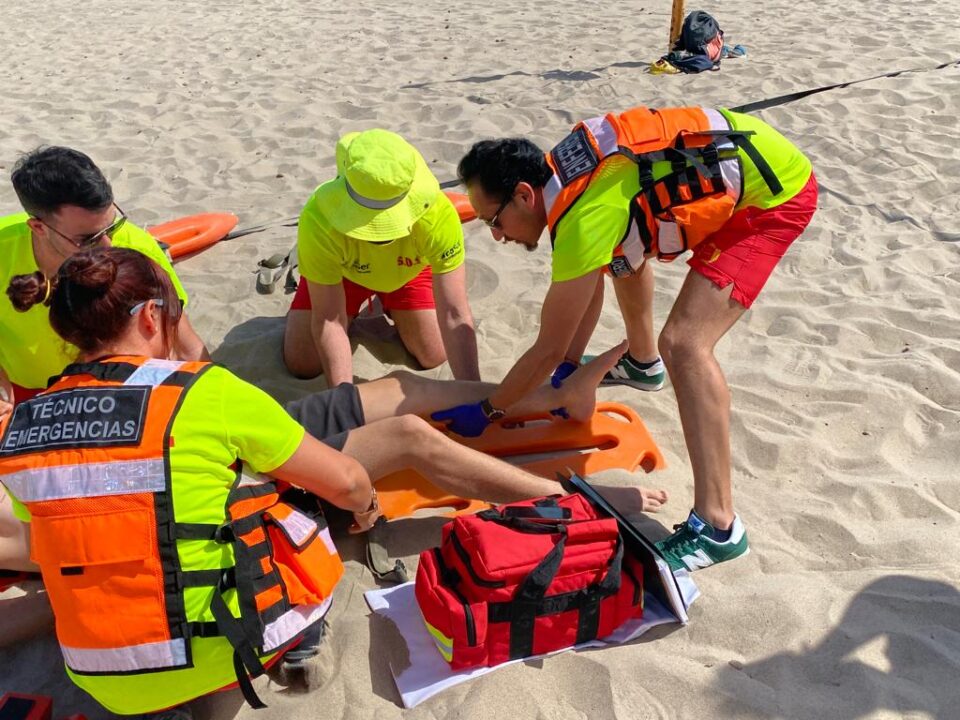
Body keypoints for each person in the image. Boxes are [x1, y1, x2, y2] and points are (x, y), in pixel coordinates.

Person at [0, 247, 666, 714]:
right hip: (225, 645)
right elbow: (346, 483)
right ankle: (573, 500)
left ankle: (542, 400)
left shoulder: (25, 424)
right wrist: (368, 509)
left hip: (99, 677)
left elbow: (49, 543)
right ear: (151, 319)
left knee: (377, 397)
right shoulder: (201, 391)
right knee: (403, 436)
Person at [446, 105, 817, 572]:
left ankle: (718, 526)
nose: (498, 237)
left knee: (684, 344)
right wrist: (569, 370)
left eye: (493, 221)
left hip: (774, 197)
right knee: (624, 251)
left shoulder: (584, 218)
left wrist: (490, 409)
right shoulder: (562, 173)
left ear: (524, 194)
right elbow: (589, 282)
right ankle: (642, 364)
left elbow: (546, 349)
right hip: (752, 155)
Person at [0, 146, 210, 592]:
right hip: (28, 404)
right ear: (38, 227)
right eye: (89, 239)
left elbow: (185, 345)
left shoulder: (135, 248)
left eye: (112, 226)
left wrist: (207, 410)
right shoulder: (3, 249)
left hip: (118, 402)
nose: (110, 247)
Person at [283, 129, 480, 384]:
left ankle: (388, 305)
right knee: (302, 362)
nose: (379, 233)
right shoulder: (318, 218)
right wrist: (343, 397)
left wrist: (474, 391)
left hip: (407, 271)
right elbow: (328, 319)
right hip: (343, 274)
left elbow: (454, 312)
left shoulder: (437, 213)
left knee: (433, 354)